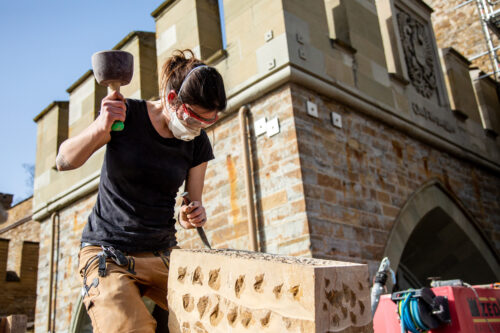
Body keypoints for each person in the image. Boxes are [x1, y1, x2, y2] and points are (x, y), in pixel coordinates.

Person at [56, 49, 226, 332]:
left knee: (217, 315)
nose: (197, 129)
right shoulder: (127, 116)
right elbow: (63, 161)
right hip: (108, 254)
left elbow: (190, 207)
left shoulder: (197, 143)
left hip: (161, 254)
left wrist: (191, 214)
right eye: (194, 119)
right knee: (130, 327)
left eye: (207, 123)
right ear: (173, 100)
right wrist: (101, 126)